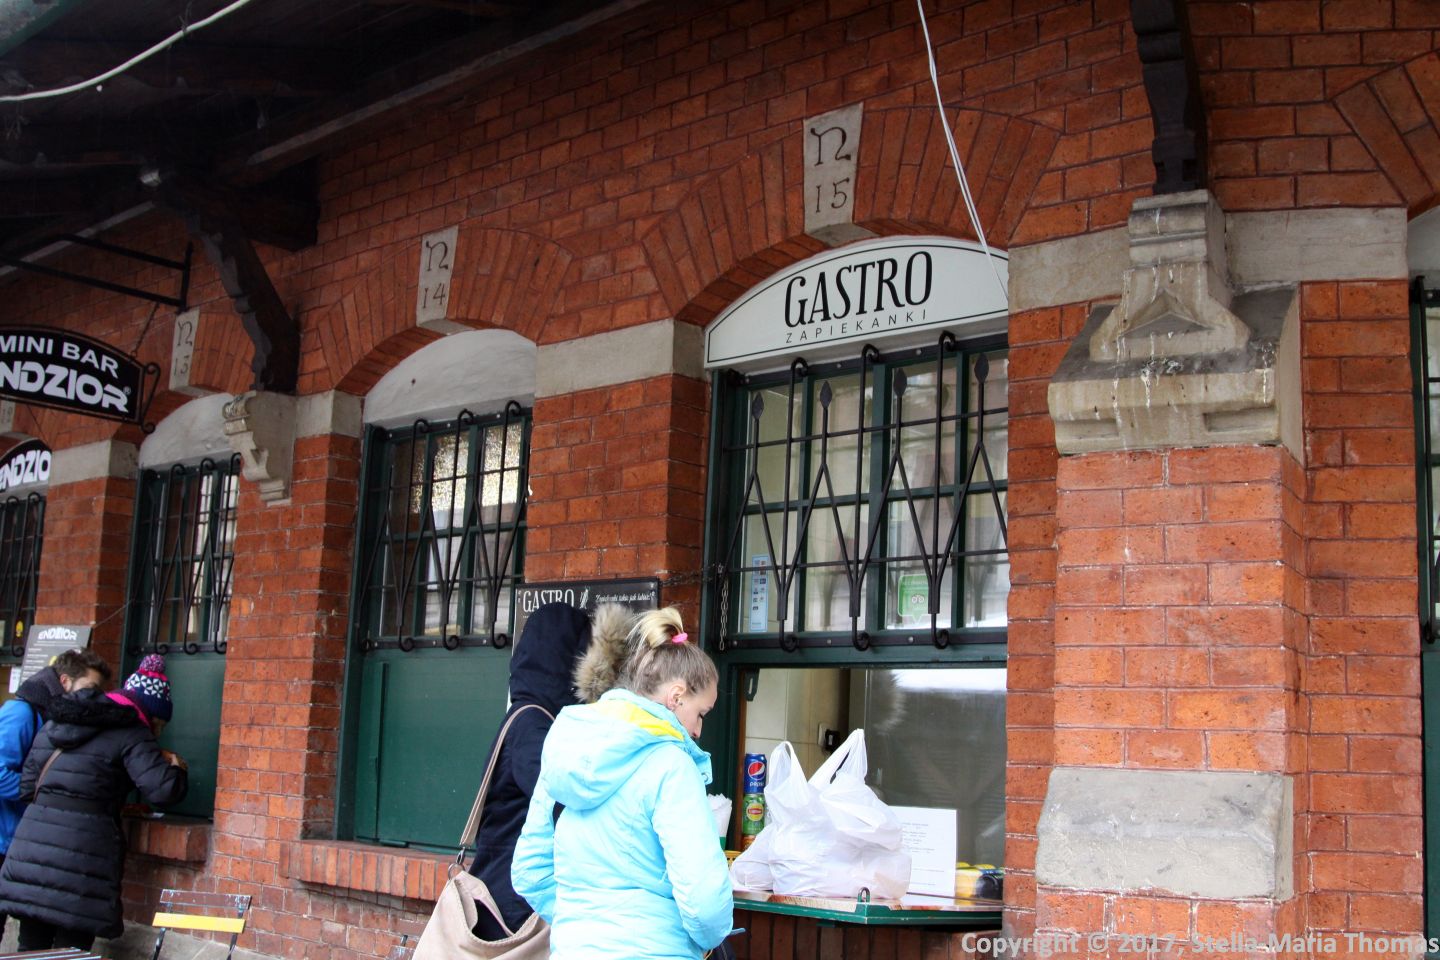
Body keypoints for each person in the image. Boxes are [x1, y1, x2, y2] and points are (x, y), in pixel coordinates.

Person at [512, 607, 733, 960]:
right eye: (700, 714)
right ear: (676, 697)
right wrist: (701, 940)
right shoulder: (672, 765)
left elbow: (529, 871)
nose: (697, 730)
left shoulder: (565, 747)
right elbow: (705, 901)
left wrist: (584, 927)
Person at [0, 653, 187, 951]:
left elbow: (27, 787)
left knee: (31, 947)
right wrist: (177, 769)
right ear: (148, 714)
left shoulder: (54, 724)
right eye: (158, 723)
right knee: (71, 950)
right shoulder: (131, 732)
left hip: (32, 854)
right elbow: (163, 791)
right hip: (84, 860)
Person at [464, 601, 619, 938]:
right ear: (568, 662)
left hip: (505, 894)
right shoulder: (533, 725)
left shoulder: (529, 717)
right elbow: (561, 800)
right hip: (511, 909)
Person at [0, 648, 111, 937]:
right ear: (64, 681)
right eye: (90, 687)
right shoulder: (22, 713)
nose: (94, 696)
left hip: (22, 841)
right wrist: (43, 794)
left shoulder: (54, 717)